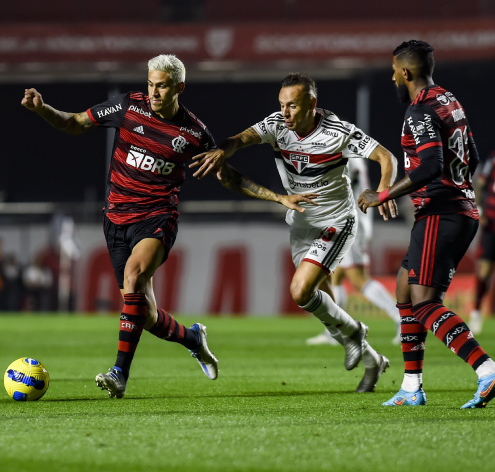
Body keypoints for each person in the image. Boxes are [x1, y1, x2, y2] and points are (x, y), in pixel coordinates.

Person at [22, 55, 228, 398]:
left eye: (161, 85)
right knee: (143, 313)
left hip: (157, 217)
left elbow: (225, 173)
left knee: (134, 276)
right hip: (115, 218)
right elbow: (75, 123)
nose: (154, 91)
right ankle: (193, 338)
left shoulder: (196, 133)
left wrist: (275, 197)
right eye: (150, 83)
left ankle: (119, 373)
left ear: (179, 87)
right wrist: (43, 109)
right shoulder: (128, 107)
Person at [191, 73, 398, 393]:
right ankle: (372, 360)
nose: (285, 113)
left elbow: (386, 157)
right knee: (322, 300)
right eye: (282, 105)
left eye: (292, 106)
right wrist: (223, 149)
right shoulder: (277, 125)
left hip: (336, 221)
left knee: (301, 291)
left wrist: (382, 192)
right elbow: (241, 138)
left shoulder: (337, 132)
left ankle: (356, 333)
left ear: (312, 104)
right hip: (301, 223)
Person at [358, 40, 495, 408]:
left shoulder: (419, 111)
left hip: (441, 212)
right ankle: (411, 386)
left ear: (405, 72)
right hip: (459, 209)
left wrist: (382, 195)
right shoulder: (449, 100)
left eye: (393, 71)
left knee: (423, 302)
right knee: (405, 288)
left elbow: (431, 166)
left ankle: (486, 369)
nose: (392, 78)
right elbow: (473, 156)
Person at [306, 158, 401, 346]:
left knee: (358, 279)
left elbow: (340, 186)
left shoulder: (346, 156)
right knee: (335, 276)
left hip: (349, 224)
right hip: (345, 223)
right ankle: (335, 331)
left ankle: (403, 320)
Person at [469, 150, 495, 335]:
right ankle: (476, 312)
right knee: (484, 271)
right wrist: (479, 209)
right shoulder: (493, 159)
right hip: (492, 225)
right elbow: (479, 183)